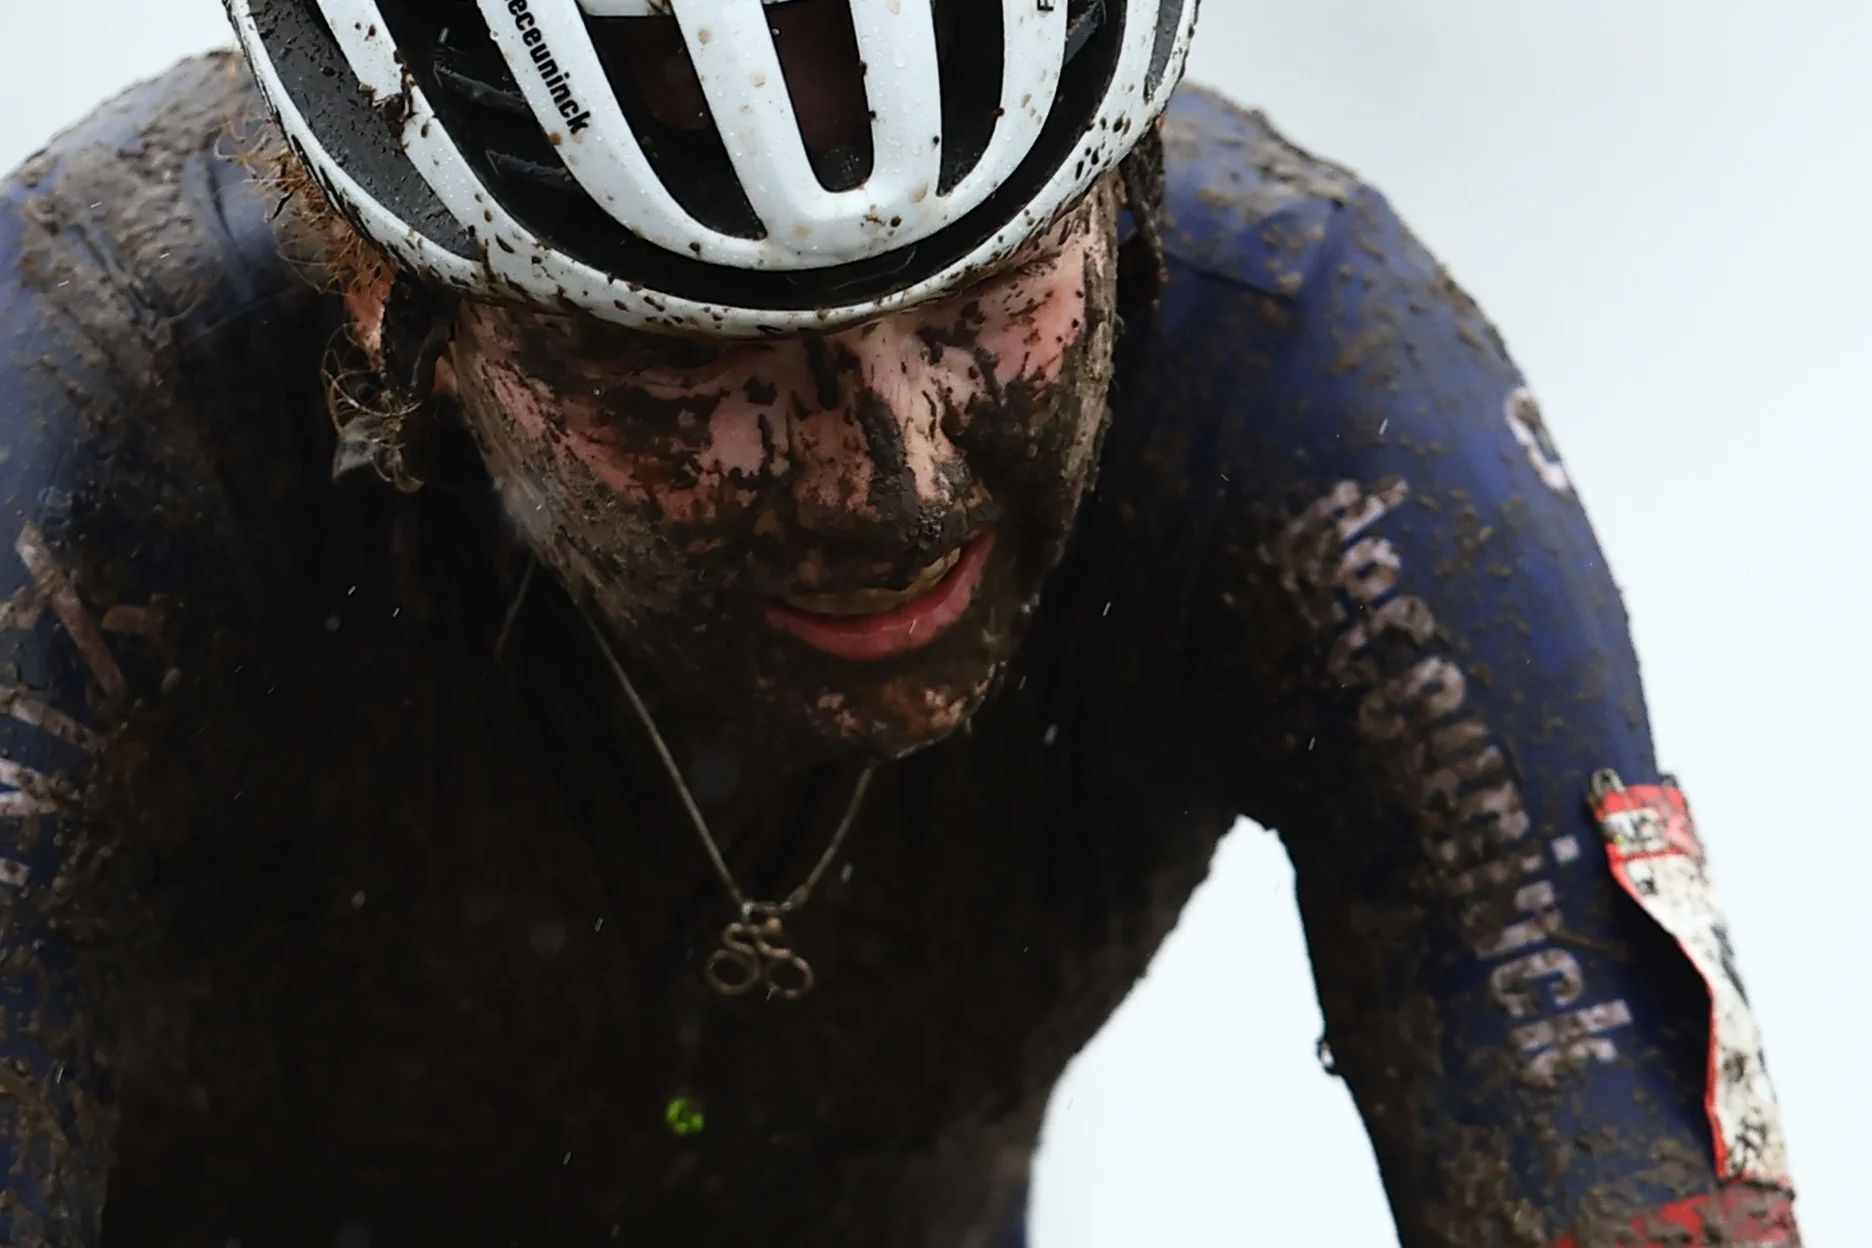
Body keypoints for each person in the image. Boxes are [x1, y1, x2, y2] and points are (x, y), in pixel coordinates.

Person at [0, 0, 1802, 1244]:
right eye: (697, 367)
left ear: (1126, 189)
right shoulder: (89, 448)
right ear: (399, 311)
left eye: (998, 295)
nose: (900, 481)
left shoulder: (1318, 406)